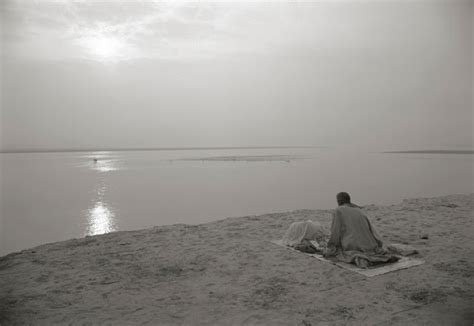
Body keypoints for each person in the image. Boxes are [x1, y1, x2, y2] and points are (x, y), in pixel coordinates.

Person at [324, 192, 398, 268]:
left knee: (339, 252)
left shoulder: (338, 210)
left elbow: (335, 231)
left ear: (339, 201)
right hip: (370, 244)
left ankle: (365, 259)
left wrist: (331, 246)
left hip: (353, 244)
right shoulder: (359, 210)